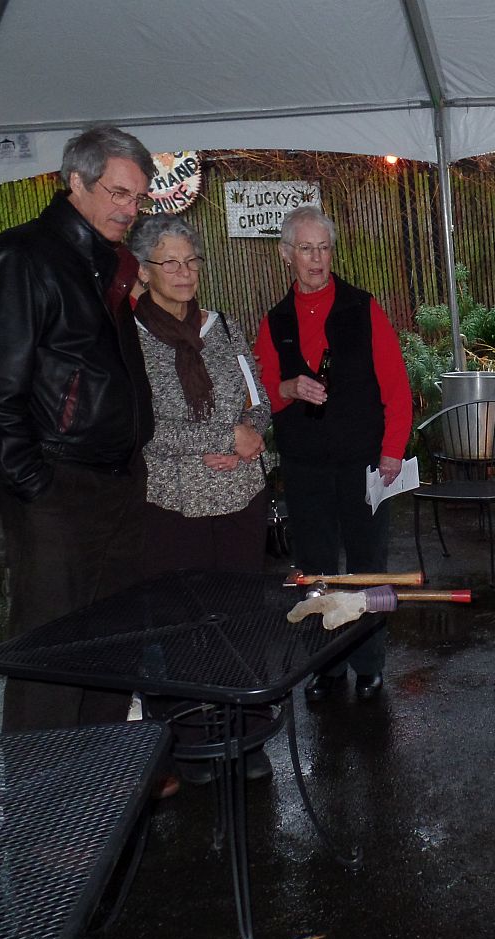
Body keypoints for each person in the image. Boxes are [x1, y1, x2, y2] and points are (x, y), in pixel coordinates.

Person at [0, 125, 156, 732]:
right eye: (118, 193)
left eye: (138, 197)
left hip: (116, 479)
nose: (130, 209)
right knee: (50, 656)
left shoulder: (106, 263)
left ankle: (101, 777)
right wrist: (35, 484)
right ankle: (42, 791)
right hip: (57, 485)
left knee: (111, 646)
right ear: (76, 180)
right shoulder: (21, 258)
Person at [128, 213, 274, 784]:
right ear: (144, 271)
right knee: (182, 623)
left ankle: (247, 730)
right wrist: (220, 437)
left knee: (241, 617)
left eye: (191, 261)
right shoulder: (128, 339)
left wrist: (249, 435)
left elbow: (259, 398)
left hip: (240, 495)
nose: (185, 272)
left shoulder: (224, 328)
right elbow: (139, 426)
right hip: (173, 504)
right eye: (171, 262)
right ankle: (190, 737)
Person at [253, 205, 412, 704]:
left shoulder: (363, 308)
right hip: (304, 465)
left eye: (324, 248)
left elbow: (396, 386)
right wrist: (288, 387)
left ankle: (369, 664)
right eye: (306, 249)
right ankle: (326, 664)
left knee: (368, 565)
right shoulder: (275, 321)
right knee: (316, 567)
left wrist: (392, 450)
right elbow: (260, 394)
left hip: (364, 460)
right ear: (286, 255)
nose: (317, 258)